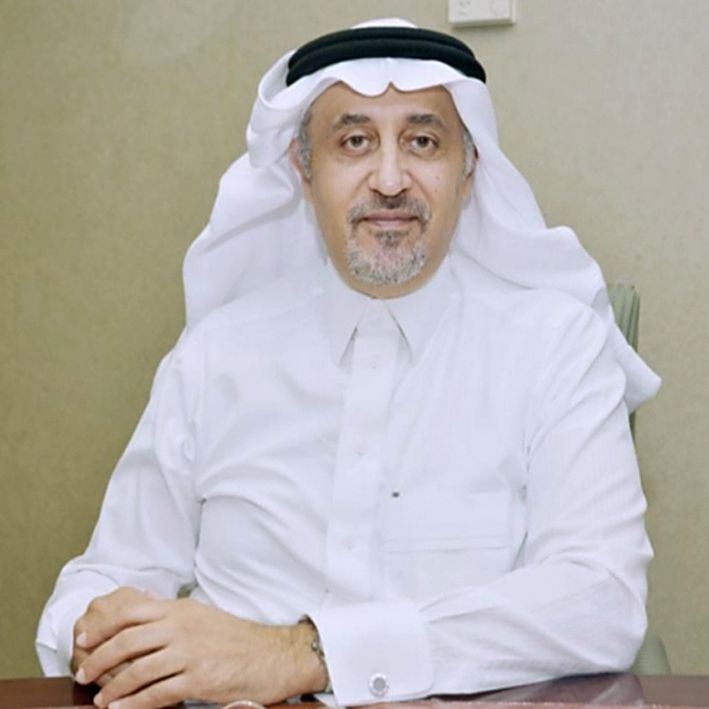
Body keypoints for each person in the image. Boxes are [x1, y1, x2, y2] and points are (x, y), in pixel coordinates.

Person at [37, 18, 661, 709]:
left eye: (422, 142)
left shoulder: (556, 347)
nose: (389, 180)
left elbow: (600, 599)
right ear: (304, 171)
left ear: (469, 170)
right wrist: (103, 632)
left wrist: (300, 654)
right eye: (354, 142)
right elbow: (102, 579)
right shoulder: (214, 354)